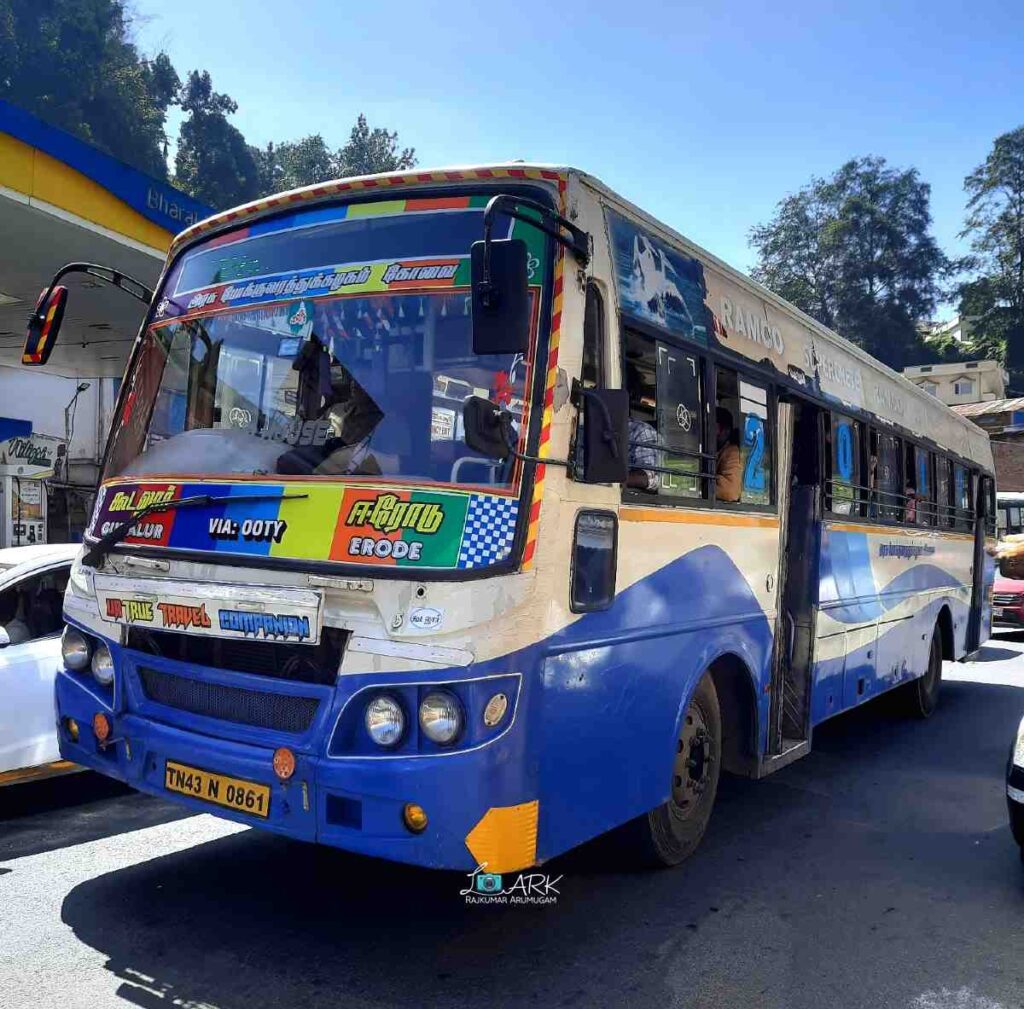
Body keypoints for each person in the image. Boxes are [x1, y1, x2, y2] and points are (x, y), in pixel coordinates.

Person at [627, 415, 660, 492]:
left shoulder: (641, 430)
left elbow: (649, 477)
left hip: (629, 496)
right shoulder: (598, 432)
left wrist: (613, 481)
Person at [715, 407, 741, 502]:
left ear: (726, 431)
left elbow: (730, 492)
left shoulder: (732, 452)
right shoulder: (714, 450)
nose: (709, 431)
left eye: (715, 428)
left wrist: (703, 480)